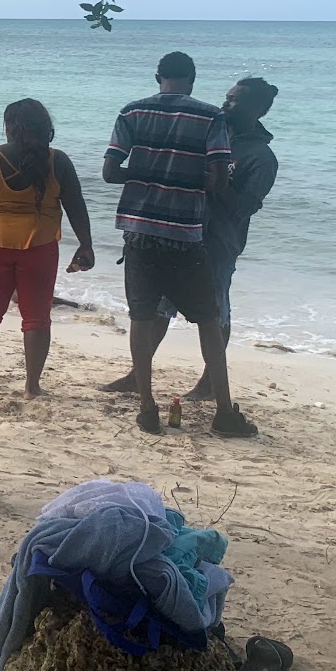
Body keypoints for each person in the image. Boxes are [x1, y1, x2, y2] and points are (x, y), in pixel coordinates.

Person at [103, 51, 257, 438]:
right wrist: (187, 177)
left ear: (158, 77)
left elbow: (109, 173)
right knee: (207, 318)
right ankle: (224, 411)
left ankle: (148, 408)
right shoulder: (210, 118)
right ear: (192, 79)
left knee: (142, 317)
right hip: (187, 234)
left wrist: (147, 173)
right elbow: (219, 181)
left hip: (139, 232)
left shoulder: (131, 113)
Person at [0, 99, 95, 397]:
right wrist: (86, 244)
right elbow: (76, 206)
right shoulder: (59, 161)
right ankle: (32, 385)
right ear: (45, 128)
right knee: (38, 317)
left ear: (9, 127)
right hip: (40, 248)